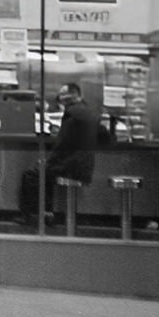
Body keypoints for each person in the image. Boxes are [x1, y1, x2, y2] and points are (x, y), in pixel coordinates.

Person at [18, 82, 99, 225]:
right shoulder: (87, 110)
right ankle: (47, 212)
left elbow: (62, 145)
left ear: (69, 97)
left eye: (62, 94)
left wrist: (48, 162)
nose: (59, 98)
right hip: (84, 164)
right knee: (45, 173)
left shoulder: (71, 113)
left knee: (31, 175)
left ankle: (32, 215)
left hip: (72, 165)